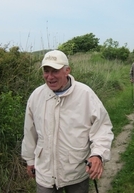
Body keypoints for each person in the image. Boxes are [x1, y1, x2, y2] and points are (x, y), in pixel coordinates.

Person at [21, 50, 114, 193]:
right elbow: (29, 131)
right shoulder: (36, 96)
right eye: (46, 71)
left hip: (76, 170)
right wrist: (30, 160)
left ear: (67, 70)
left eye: (55, 71)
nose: (50, 77)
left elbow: (102, 127)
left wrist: (97, 154)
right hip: (45, 171)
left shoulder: (85, 94)